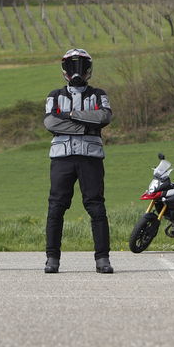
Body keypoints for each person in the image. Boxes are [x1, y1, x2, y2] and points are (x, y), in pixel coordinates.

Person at [43, 48, 114, 274]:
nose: (77, 72)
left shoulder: (99, 94)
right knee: (56, 208)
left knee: (96, 207)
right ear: (64, 71)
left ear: (88, 70)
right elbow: (51, 123)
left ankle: (102, 259)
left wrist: (70, 115)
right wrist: (87, 124)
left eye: (81, 67)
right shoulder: (54, 95)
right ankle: (52, 258)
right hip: (62, 158)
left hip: (90, 158)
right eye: (73, 67)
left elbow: (104, 117)